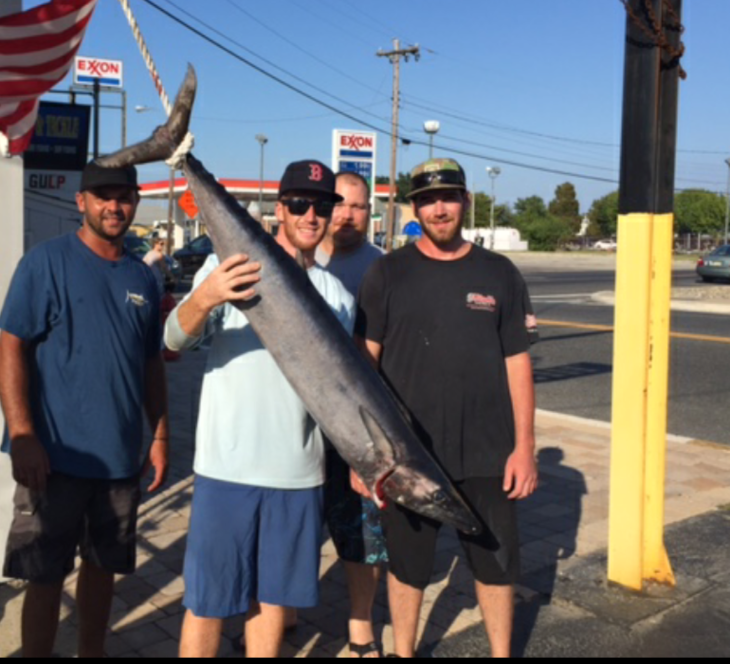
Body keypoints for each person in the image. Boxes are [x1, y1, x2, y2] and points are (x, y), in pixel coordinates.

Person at [166, 160, 355, 659]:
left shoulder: (337, 296)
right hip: (226, 470)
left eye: (321, 206)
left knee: (272, 605)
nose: (310, 215)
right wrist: (206, 296)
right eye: (298, 204)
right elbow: (173, 340)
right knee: (207, 602)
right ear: (280, 209)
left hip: (298, 476)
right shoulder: (230, 264)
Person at [353, 158, 538, 659]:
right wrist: (363, 457)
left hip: (489, 453)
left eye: (449, 197)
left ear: (465, 202)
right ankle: (404, 652)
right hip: (407, 457)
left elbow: (518, 363)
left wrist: (524, 447)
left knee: (496, 566)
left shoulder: (499, 273)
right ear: (414, 208)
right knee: (407, 567)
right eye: (429, 200)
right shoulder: (387, 273)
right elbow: (361, 372)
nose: (440, 208)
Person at [0, 160, 169, 659]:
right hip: (53, 458)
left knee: (102, 569)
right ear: (82, 202)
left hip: (117, 460)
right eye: (103, 196)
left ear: (135, 202)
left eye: (124, 197)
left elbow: (151, 362)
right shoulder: (45, 262)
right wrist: (23, 434)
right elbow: (10, 349)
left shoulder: (143, 275)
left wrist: (159, 436)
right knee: (44, 574)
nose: (114, 206)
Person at [314, 171, 388, 658]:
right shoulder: (296, 258)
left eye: (357, 207)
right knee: (295, 525)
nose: (346, 214)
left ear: (370, 212)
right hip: (299, 422)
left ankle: (360, 627)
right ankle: (286, 610)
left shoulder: (383, 269)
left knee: (363, 532)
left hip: (355, 426)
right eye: (338, 204)